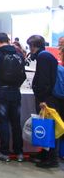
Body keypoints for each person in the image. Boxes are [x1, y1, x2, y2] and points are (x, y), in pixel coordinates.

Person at [0, 32, 26, 162]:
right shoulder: (19, 53)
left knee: (3, 122)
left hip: (2, 91)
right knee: (16, 123)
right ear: (8, 40)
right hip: (15, 91)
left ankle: (4, 152)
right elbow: (23, 74)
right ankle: (19, 152)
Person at [26, 35, 59, 168]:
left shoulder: (43, 57)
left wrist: (43, 99)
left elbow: (45, 79)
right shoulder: (46, 55)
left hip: (47, 98)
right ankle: (45, 154)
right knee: (46, 126)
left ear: (33, 46)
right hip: (48, 97)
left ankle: (52, 158)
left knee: (48, 127)